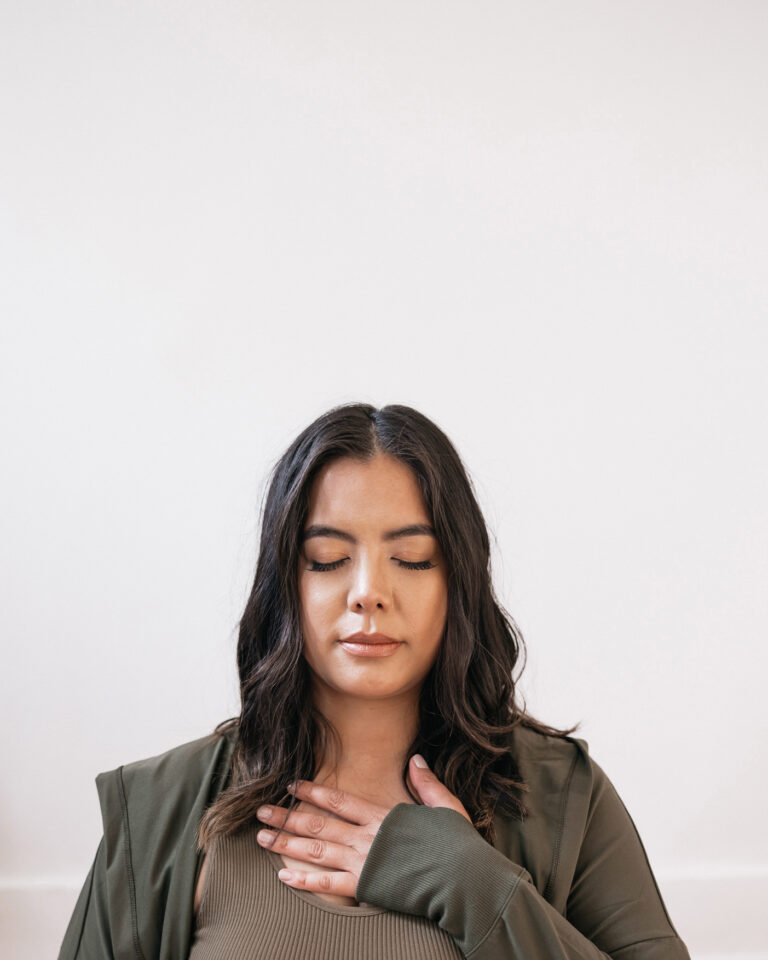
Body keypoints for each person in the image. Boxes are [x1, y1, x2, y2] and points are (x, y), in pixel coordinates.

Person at [58, 403, 691, 960]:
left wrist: (473, 885)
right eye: (328, 559)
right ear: (287, 583)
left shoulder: (563, 797)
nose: (368, 593)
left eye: (412, 559)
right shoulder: (157, 813)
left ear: (458, 581)